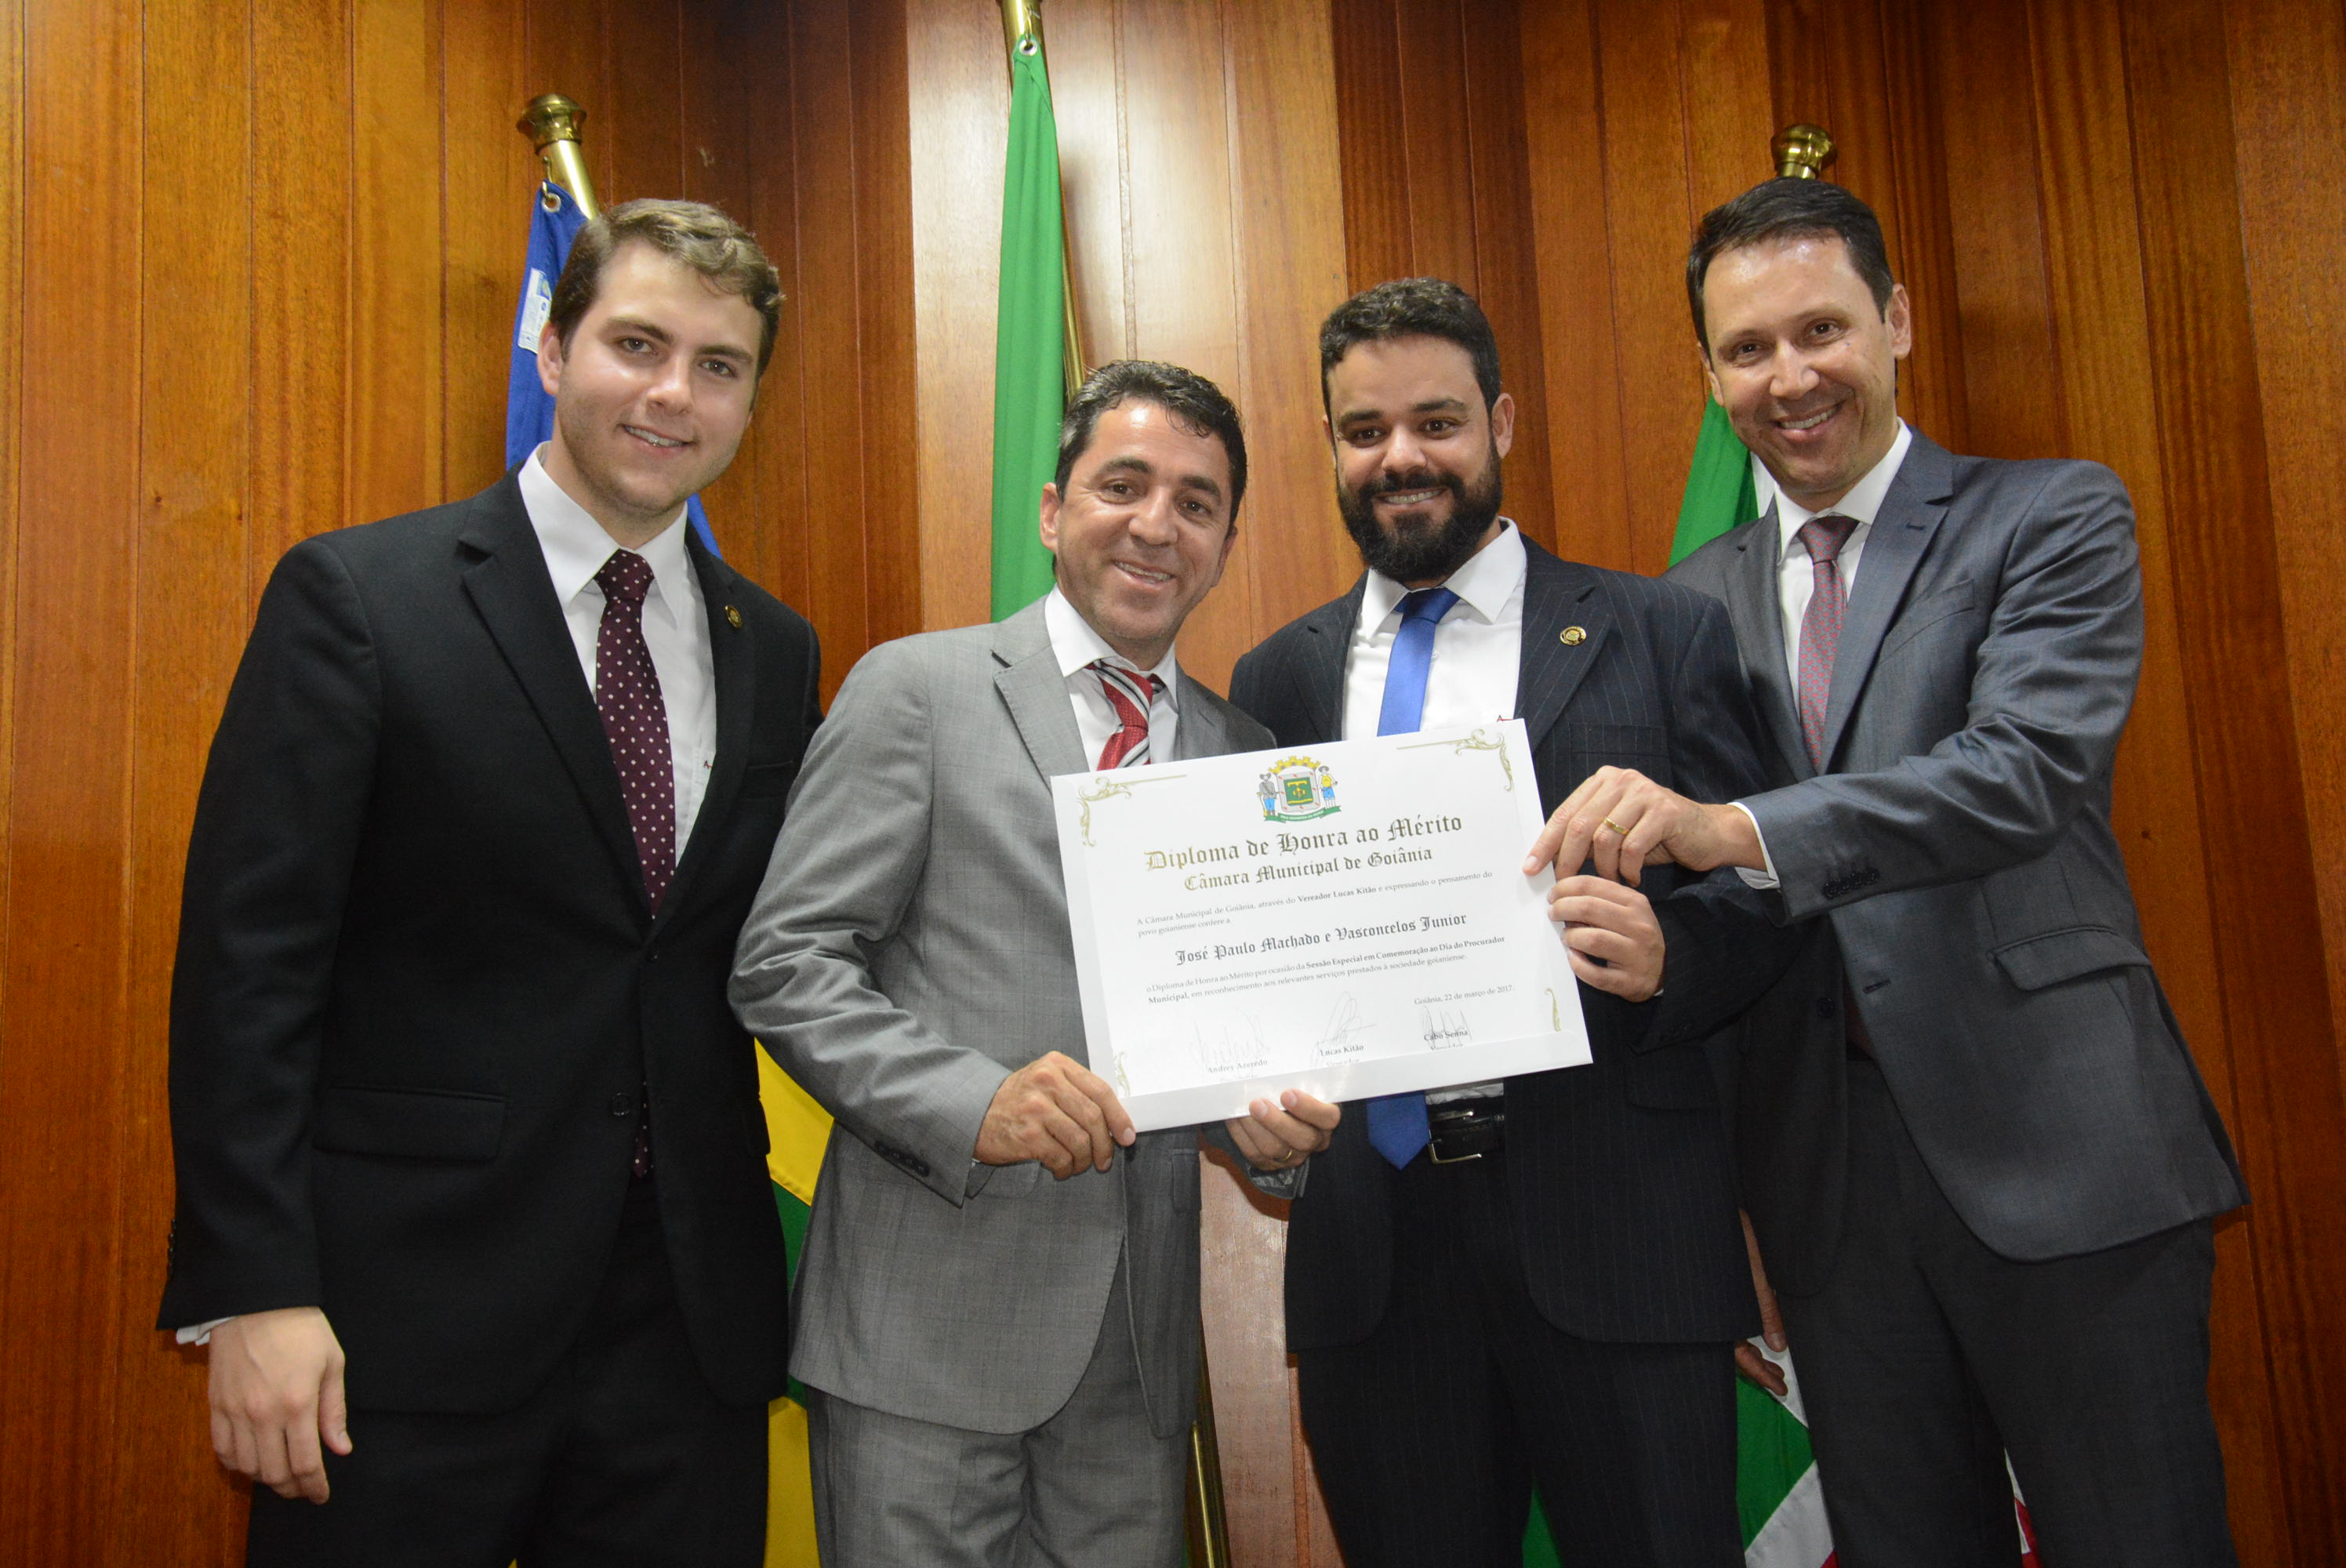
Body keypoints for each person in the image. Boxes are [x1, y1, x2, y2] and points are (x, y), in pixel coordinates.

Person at [1539, 177, 2246, 1567]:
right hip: (1825, 1197)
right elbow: (1713, 928)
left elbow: (2023, 773)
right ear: (1711, 376)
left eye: (1822, 330)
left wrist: (1732, 828)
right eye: (1748, 349)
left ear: (1897, 320)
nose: (1790, 378)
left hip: (2065, 1153)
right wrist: (1723, 1194)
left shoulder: (2048, 515)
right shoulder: (1682, 604)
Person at [158, 199, 820, 1566]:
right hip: (398, 1325)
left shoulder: (776, 647)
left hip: (684, 1331)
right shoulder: (360, 598)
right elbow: (247, 971)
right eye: (637, 344)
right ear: (553, 346)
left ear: (750, 403)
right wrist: (255, 1290)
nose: (673, 393)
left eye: (718, 366)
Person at [1229, 279, 1800, 1567]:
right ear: (1329, 445)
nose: (1401, 457)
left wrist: (1673, 957)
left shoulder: (1664, 631)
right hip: (1376, 1264)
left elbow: (1770, 897)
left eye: (1436, 422)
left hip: (1622, 1238)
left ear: (1499, 423)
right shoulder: (1277, 678)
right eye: (1365, 430)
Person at [728, 360, 1338, 1568]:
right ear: (1055, 511)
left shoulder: (1249, 760)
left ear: (1224, 547)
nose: (1157, 525)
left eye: (1197, 503)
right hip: (923, 1340)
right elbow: (784, 962)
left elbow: (1236, 1039)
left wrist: (1268, 1128)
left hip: (1135, 1368)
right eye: (1124, 485)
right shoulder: (917, 689)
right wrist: (975, 1103)